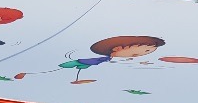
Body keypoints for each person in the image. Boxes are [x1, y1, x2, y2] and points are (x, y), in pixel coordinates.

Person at [14, 35, 166, 84]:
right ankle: (29, 74)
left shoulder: (115, 61)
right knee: (60, 69)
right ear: (118, 48)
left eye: (148, 52)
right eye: (145, 50)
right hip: (89, 62)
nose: (143, 54)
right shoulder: (103, 60)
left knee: (64, 69)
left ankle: (29, 74)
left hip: (95, 64)